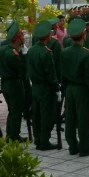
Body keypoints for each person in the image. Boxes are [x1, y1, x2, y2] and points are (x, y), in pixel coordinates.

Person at [61, 18, 89, 156]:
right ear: (84, 35)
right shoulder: (86, 54)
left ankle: (72, 146)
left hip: (69, 89)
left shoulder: (64, 52)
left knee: (70, 118)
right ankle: (84, 147)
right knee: (83, 119)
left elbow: (62, 72)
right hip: (82, 90)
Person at [27, 20, 60, 150]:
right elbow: (51, 75)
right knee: (46, 115)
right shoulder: (46, 52)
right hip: (46, 88)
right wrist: (57, 89)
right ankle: (44, 141)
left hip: (35, 87)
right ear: (48, 36)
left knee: (37, 114)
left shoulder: (31, 51)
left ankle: (38, 138)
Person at [0, 22, 27, 141]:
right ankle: (14, 135)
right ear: (17, 39)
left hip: (5, 83)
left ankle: (9, 134)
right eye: (22, 36)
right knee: (16, 111)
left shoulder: (4, 49)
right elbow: (23, 69)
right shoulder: (13, 54)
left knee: (12, 110)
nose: (24, 38)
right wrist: (24, 54)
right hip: (14, 84)